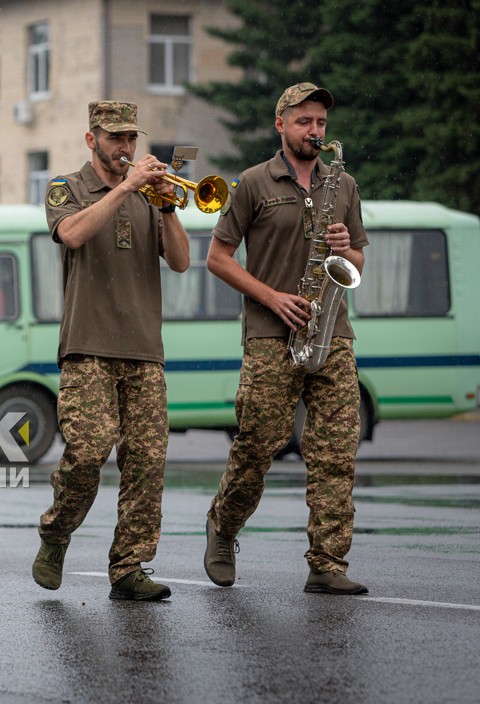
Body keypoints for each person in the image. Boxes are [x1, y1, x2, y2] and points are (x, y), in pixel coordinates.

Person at [203, 82, 369, 595]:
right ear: (281, 125)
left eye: (320, 123)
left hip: (331, 331)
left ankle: (327, 563)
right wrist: (272, 297)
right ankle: (223, 527)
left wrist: (345, 248)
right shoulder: (253, 182)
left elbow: (358, 259)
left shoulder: (343, 184)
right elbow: (218, 258)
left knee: (336, 450)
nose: (315, 131)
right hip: (272, 334)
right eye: (304, 122)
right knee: (259, 444)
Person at [31, 101, 190, 601]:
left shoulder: (150, 194)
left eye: (130, 139)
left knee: (147, 460)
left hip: (144, 348)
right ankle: (56, 534)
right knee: (87, 452)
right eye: (114, 138)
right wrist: (125, 188)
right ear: (91, 139)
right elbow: (72, 234)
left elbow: (183, 262)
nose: (125, 148)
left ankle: (129, 566)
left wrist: (164, 204)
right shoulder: (67, 187)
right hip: (87, 346)